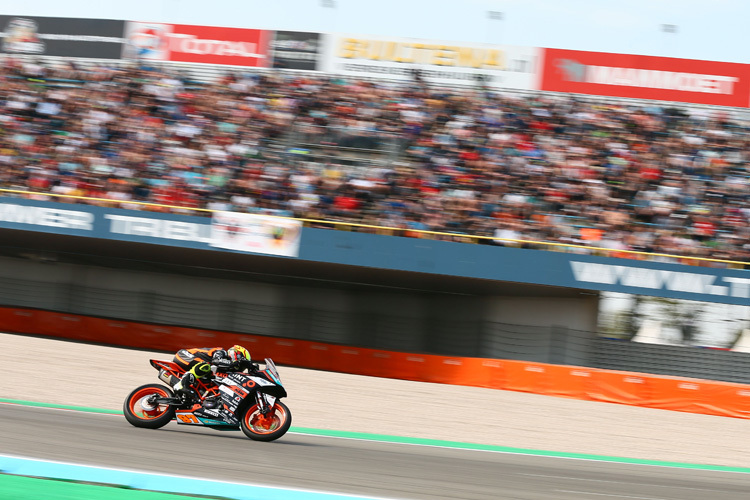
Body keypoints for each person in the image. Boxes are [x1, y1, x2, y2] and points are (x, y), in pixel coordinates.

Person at [172, 345, 252, 406]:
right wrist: (234, 363)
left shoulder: (226, 366)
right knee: (205, 366)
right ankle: (182, 385)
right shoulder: (221, 351)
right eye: (241, 365)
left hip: (193, 365)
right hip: (184, 355)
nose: (240, 368)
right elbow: (217, 361)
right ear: (236, 354)